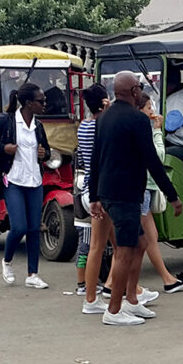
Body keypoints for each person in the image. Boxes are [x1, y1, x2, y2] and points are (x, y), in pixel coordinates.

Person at [89, 71, 183, 326]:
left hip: (108, 192)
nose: (141, 91)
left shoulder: (104, 117)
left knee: (140, 244)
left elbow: (96, 158)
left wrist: (94, 194)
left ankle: (131, 299)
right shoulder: (138, 120)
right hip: (126, 193)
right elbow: (152, 161)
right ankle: (114, 309)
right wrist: (172, 195)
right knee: (125, 250)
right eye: (139, 88)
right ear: (132, 91)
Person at [0, 83, 51, 289]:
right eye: (41, 101)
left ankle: (33, 274)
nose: (44, 104)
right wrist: (3, 148)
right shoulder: (7, 120)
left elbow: (46, 150)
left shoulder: (38, 125)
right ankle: (7, 261)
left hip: (35, 181)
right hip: (13, 180)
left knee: (34, 228)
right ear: (29, 103)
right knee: (19, 226)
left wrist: (44, 154)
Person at [137, 93, 183, 293]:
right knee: (138, 241)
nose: (152, 111)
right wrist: (158, 132)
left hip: (147, 187)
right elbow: (159, 156)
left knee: (150, 237)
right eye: (149, 107)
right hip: (143, 187)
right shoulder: (145, 130)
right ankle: (119, 285)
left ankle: (167, 279)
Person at [75, 84, 110, 297]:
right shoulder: (101, 126)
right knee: (95, 245)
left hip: (86, 188)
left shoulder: (84, 126)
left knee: (88, 242)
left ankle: (85, 285)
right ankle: (90, 287)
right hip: (99, 190)